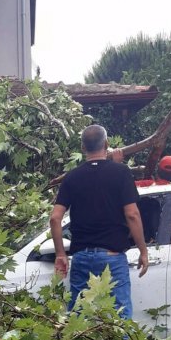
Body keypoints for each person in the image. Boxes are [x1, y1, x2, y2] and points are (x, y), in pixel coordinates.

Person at [50, 124, 148, 318]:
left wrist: (60, 253)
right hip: (112, 258)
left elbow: (55, 218)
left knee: (78, 319)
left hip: (81, 258)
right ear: (107, 144)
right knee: (119, 319)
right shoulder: (121, 173)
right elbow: (132, 215)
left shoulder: (71, 177)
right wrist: (143, 250)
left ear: (83, 148)